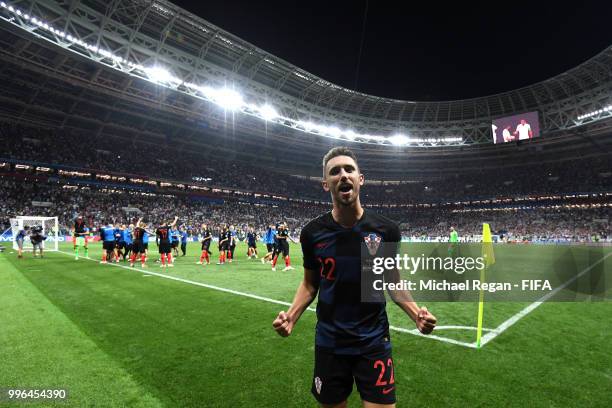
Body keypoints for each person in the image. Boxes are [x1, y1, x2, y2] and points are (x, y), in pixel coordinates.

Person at [272, 147, 437, 407]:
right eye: (335, 171)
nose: (343, 175)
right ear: (326, 184)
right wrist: (291, 316)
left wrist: (416, 313)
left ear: (361, 178)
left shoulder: (386, 230)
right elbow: (309, 284)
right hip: (330, 342)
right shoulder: (312, 233)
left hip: (373, 340)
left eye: (349, 169)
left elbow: (392, 282)